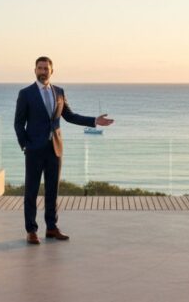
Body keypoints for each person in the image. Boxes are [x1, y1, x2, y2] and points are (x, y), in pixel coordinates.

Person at [14, 56, 114, 244]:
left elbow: (69, 116)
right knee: (32, 191)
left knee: (53, 191)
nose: (43, 71)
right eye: (40, 68)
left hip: (55, 149)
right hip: (34, 150)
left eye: (46, 68)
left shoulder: (59, 92)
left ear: (52, 71)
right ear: (34, 70)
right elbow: (19, 123)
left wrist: (94, 121)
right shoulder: (25, 93)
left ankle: (51, 228)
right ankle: (31, 230)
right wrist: (26, 145)